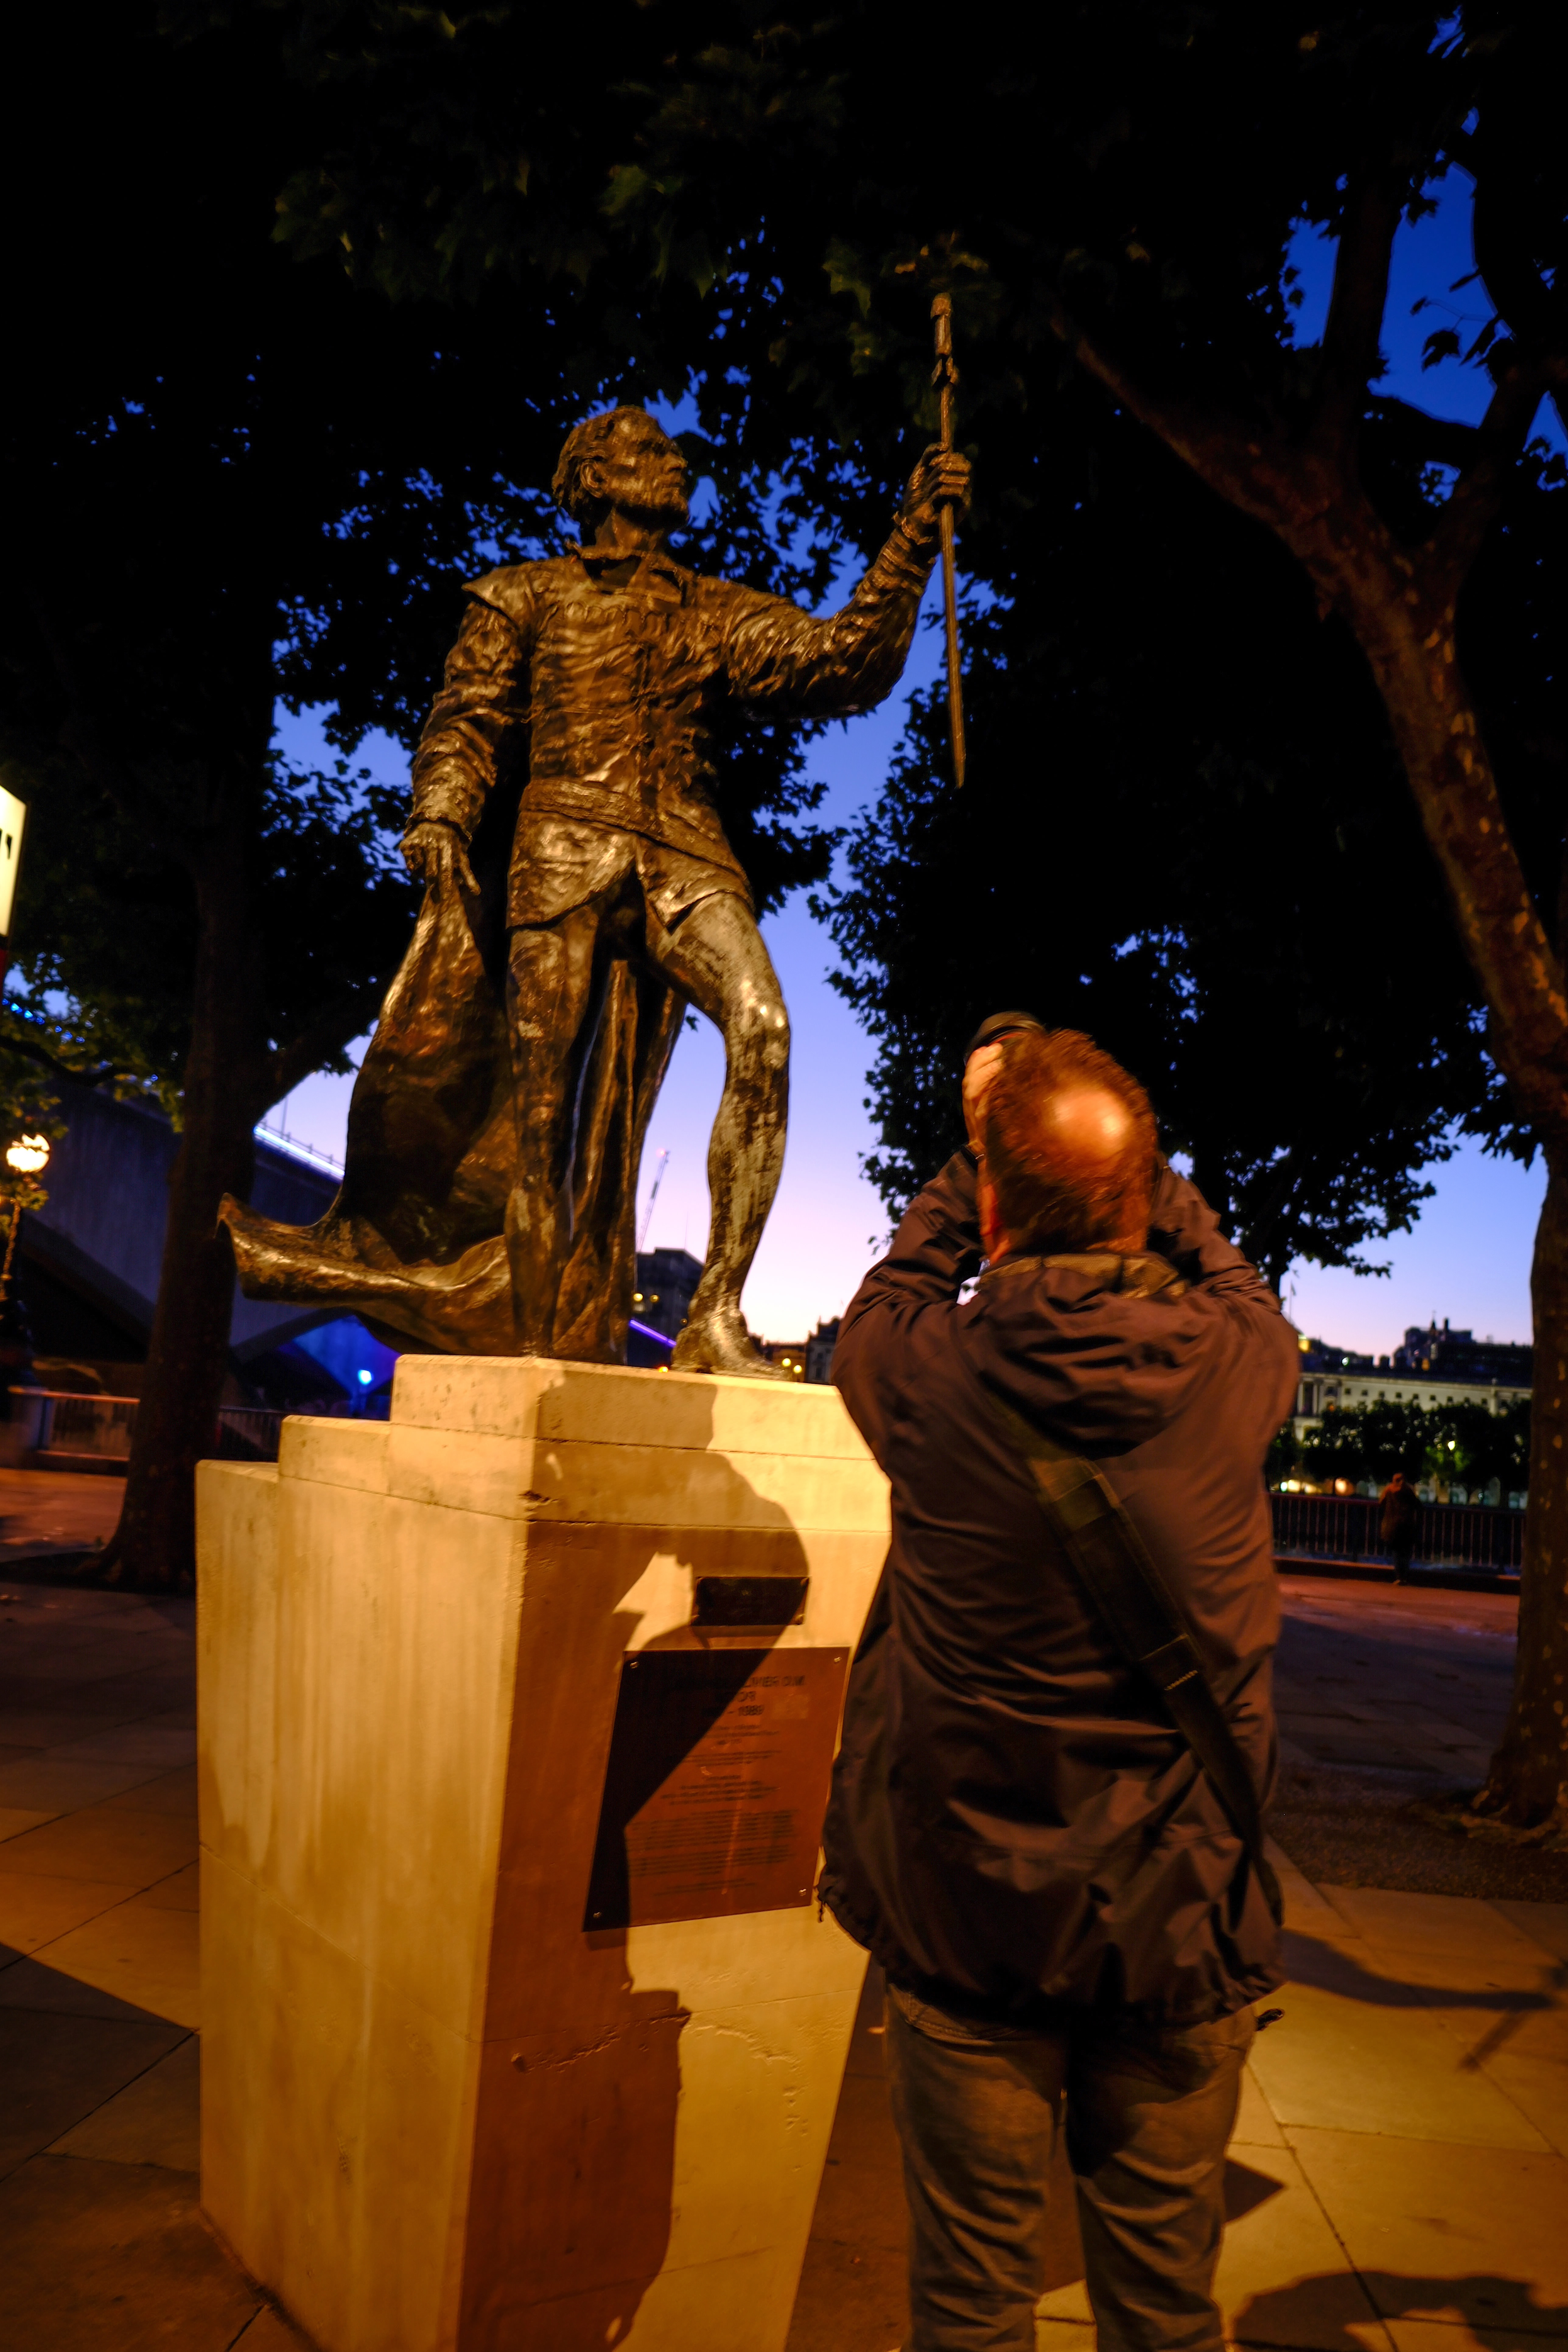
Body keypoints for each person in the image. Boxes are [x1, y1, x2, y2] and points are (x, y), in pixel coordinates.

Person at [820, 1019, 1300, 2352]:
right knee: (1164, 2311)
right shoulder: (1240, 1364)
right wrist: (1144, 1171)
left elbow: (891, 1290)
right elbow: (1233, 1275)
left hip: (970, 1926)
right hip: (1183, 1925)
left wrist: (979, 1139)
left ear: (989, 1206)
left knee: (970, 2302)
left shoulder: (923, 1373)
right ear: (1144, 1195)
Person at [402, 404, 971, 1372]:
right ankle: (532, 1349)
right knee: (541, 1115)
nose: (674, 463)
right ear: (592, 477)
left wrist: (913, 537)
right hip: (563, 845)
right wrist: (442, 813)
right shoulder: (519, 595)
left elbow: (842, 663)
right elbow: (466, 719)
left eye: (675, 453)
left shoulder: (714, 609)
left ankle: (713, 1314)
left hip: (684, 849)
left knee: (764, 1024)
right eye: (648, 449)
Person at [1379, 1470, 1421, 1584]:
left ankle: (1399, 1576)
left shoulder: (1389, 1490)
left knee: (1397, 1552)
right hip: (1406, 1525)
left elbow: (1381, 1504)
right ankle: (1404, 1576)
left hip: (1392, 1526)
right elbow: (1418, 1505)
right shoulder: (1408, 1491)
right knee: (1406, 1552)